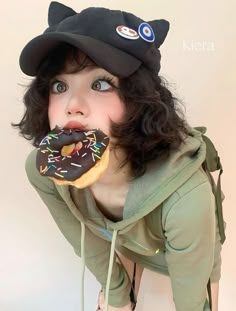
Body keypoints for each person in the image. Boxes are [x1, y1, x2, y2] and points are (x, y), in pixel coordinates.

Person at [14, 1, 224, 311]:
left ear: (139, 100)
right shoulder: (46, 171)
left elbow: (192, 289)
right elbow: (84, 239)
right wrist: (116, 294)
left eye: (100, 83)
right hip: (124, 241)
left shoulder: (187, 198)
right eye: (60, 85)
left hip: (188, 245)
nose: (72, 103)